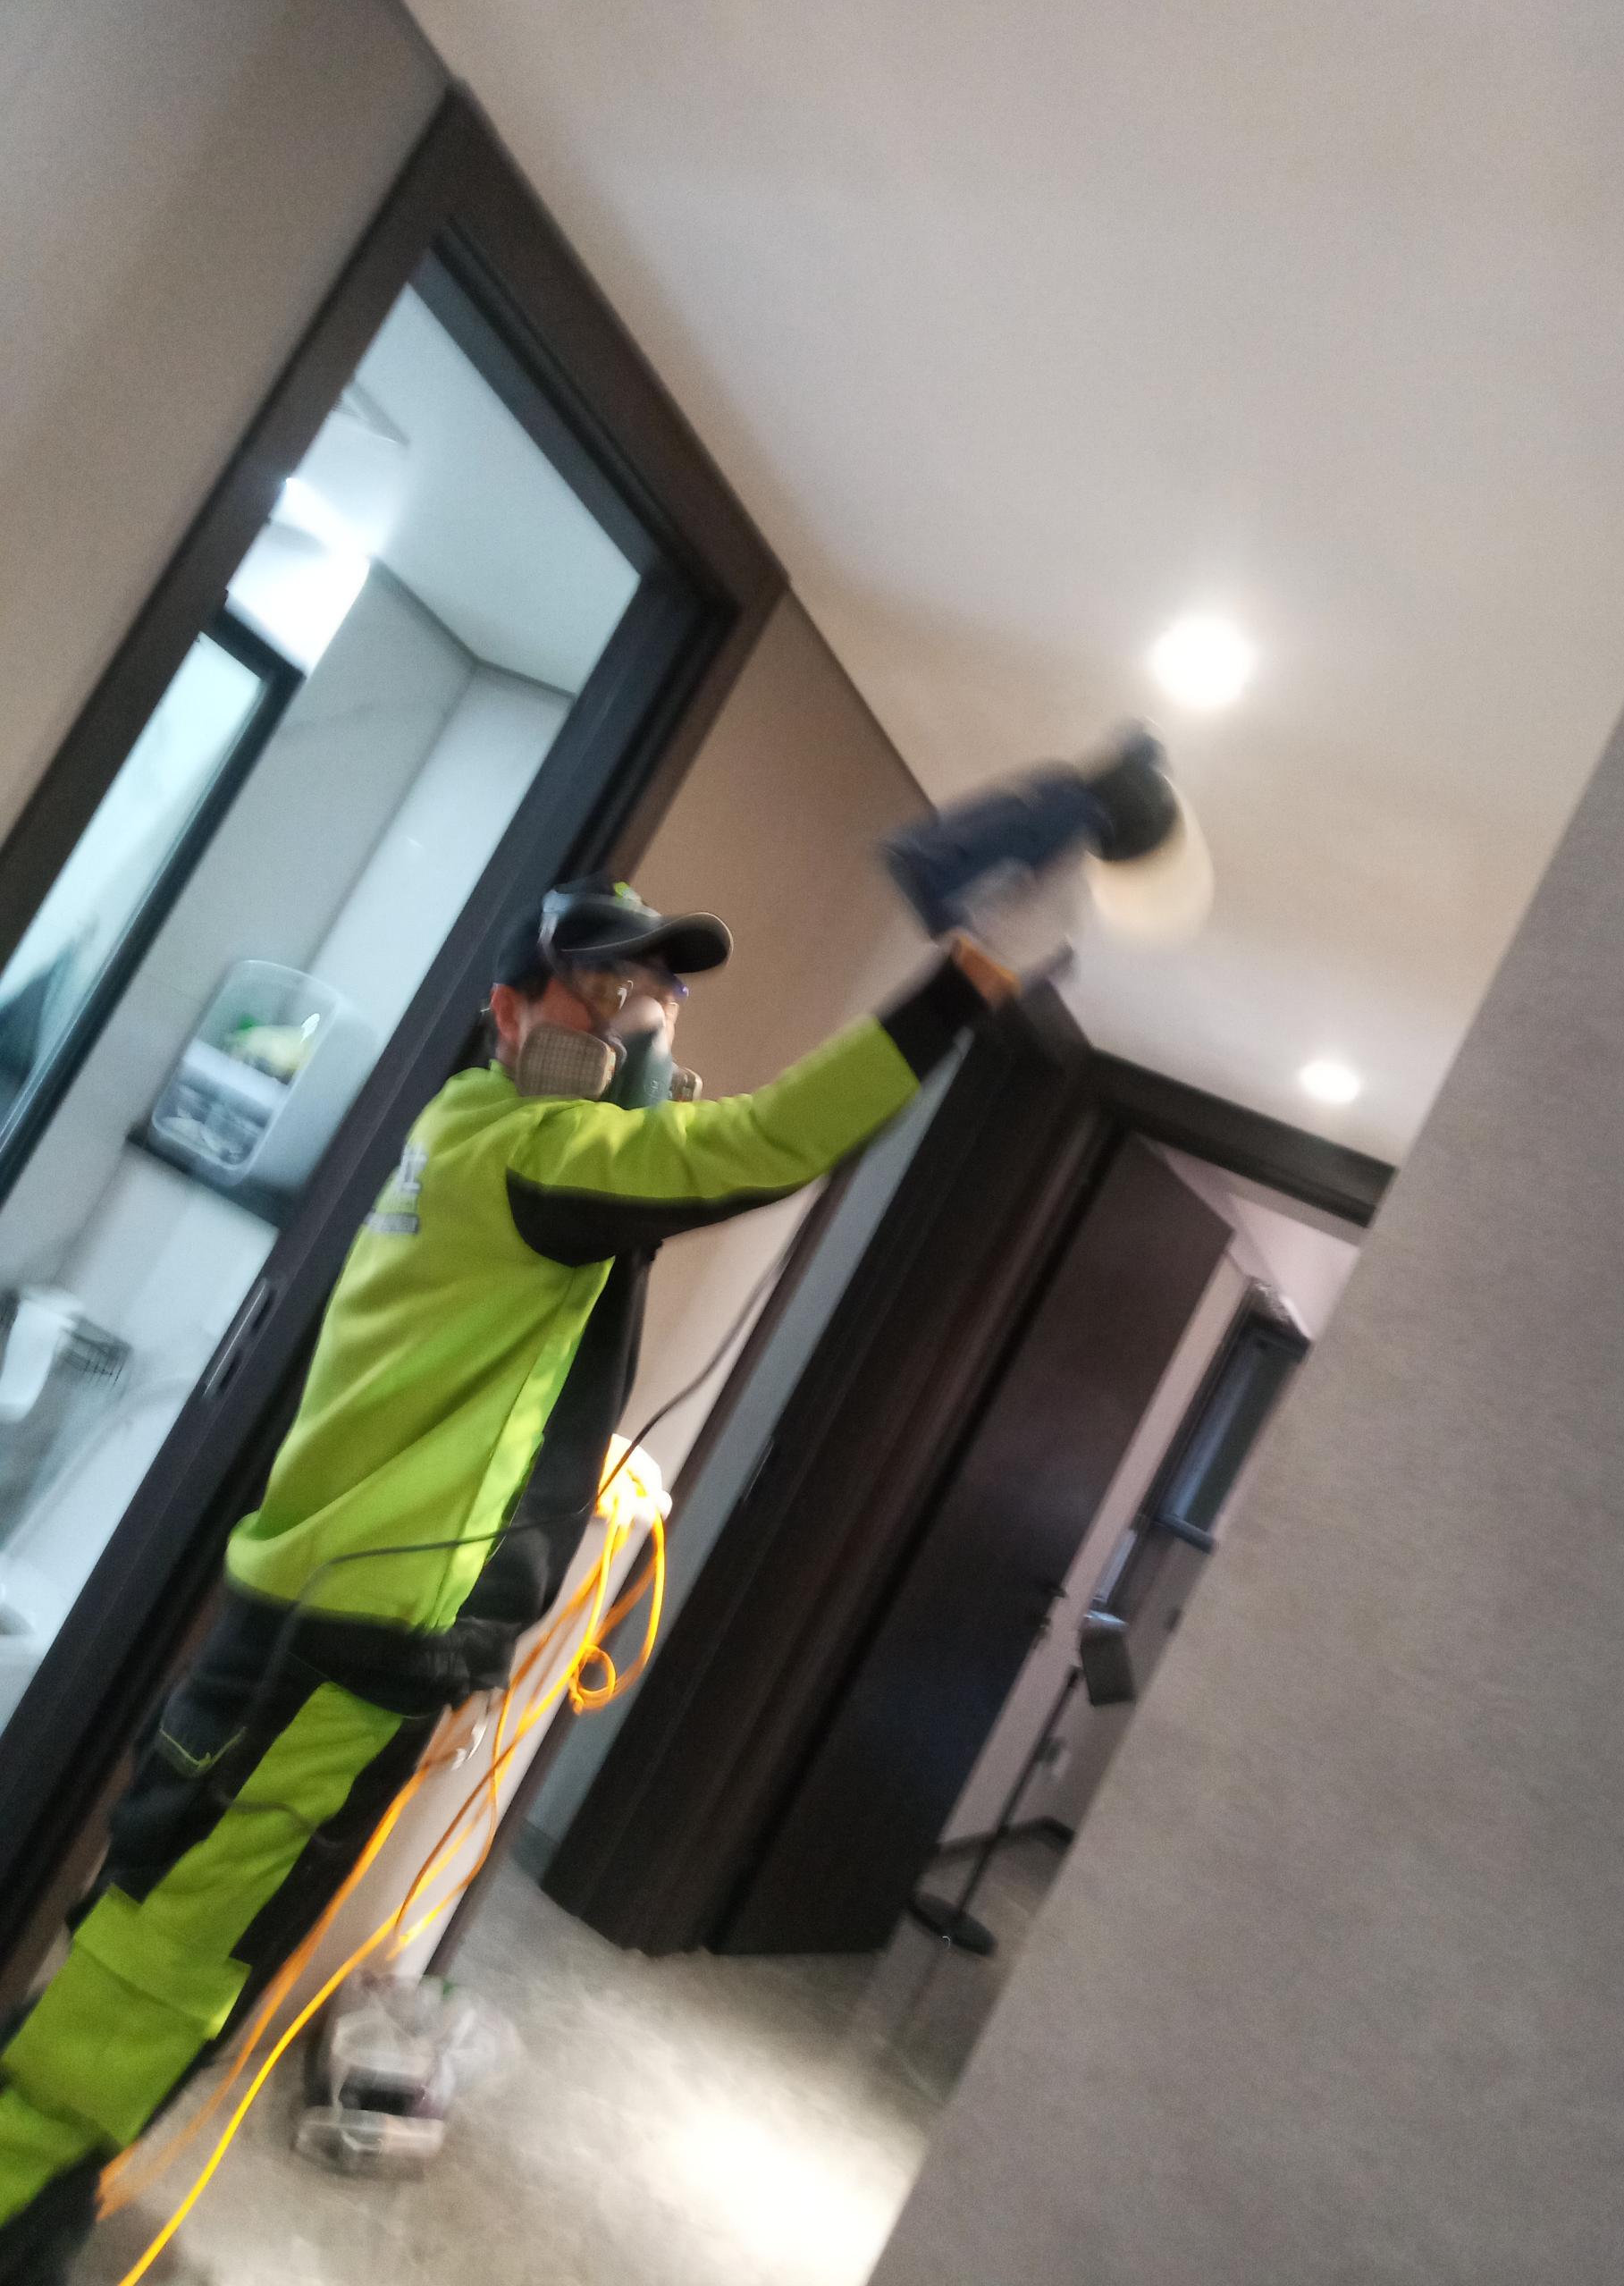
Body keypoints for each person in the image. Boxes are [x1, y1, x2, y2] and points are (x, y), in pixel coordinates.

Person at [0, 876, 1013, 2281]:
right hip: (352, 1641)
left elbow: (634, 1184)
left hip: (328, 1617)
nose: (623, 1017)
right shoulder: (523, 1155)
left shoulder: (480, 1139)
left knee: (166, 1917)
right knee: (169, 1961)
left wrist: (645, 1064)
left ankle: (34, 2187)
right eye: (594, 989)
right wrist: (959, 989)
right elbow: (761, 1145)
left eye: (650, 994)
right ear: (508, 1010)